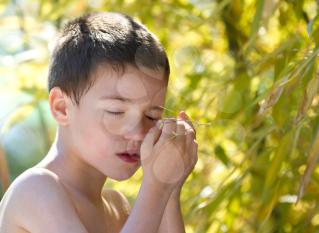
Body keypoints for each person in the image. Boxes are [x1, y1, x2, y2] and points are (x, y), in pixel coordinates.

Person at [0, 12, 198, 233]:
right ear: (62, 108)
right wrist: (155, 189)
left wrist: (168, 189)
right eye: (116, 111)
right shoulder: (36, 190)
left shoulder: (116, 207)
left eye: (152, 116)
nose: (138, 133)